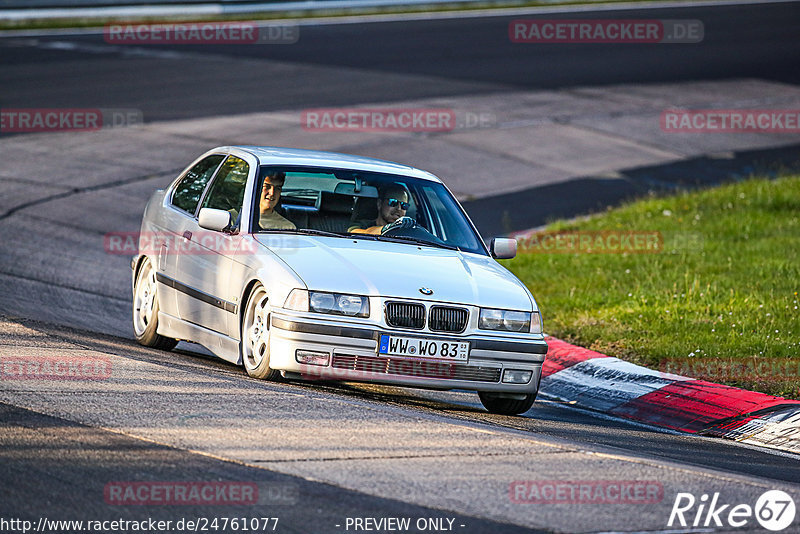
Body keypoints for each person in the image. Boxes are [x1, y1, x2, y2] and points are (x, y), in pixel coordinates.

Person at [348, 183, 415, 235]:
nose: (399, 208)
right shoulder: (362, 225)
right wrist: (388, 228)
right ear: (379, 204)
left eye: (404, 205)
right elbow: (354, 232)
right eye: (393, 202)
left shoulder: (409, 231)